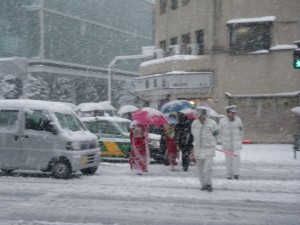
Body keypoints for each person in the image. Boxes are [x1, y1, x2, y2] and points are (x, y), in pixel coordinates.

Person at [190, 107, 218, 192]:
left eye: (202, 114)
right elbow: (193, 136)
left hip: (209, 148)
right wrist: (193, 151)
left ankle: (209, 184)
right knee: (200, 169)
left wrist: (211, 142)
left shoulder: (212, 123)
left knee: (208, 167)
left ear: (205, 114)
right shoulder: (194, 123)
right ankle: (203, 185)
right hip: (198, 149)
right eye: (198, 115)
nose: (200, 116)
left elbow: (216, 135)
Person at [218, 105, 244, 180]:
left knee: (236, 157)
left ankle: (236, 173)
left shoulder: (238, 120)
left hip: (236, 143)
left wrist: (240, 138)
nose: (232, 114)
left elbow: (241, 130)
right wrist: (220, 140)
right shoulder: (222, 121)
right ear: (227, 113)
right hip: (226, 144)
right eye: (231, 113)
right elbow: (219, 131)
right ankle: (229, 174)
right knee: (228, 160)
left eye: (234, 113)